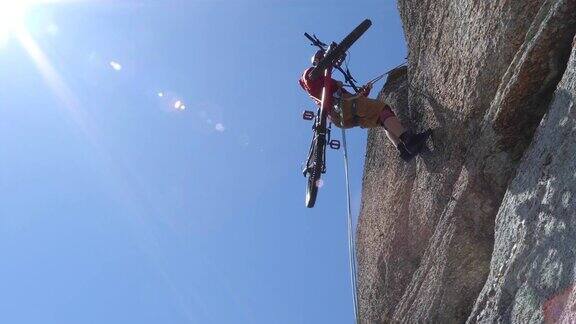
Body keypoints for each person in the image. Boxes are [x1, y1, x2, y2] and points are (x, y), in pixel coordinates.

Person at [299, 50, 429, 161]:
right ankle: (409, 141)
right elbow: (311, 83)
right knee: (382, 109)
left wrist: (364, 92)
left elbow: (355, 103)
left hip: (343, 115)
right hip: (341, 107)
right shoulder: (310, 73)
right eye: (322, 58)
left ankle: (403, 150)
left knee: (381, 119)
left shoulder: (327, 85)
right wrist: (335, 83)